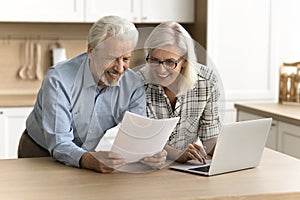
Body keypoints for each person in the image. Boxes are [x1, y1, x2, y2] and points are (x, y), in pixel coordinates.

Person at [18, 16, 167, 173]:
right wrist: (88, 159)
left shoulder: (132, 84)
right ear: (91, 50)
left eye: (126, 59)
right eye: (111, 58)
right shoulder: (59, 79)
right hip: (40, 154)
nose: (120, 68)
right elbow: (59, 142)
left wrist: (152, 154)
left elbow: (138, 136)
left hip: (86, 156)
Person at [136, 22, 222, 164]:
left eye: (170, 62)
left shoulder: (206, 81)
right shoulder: (139, 83)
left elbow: (209, 136)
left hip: (186, 168)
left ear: (186, 62)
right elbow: (145, 138)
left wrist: (229, 150)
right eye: (154, 60)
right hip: (152, 167)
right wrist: (177, 154)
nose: (161, 69)